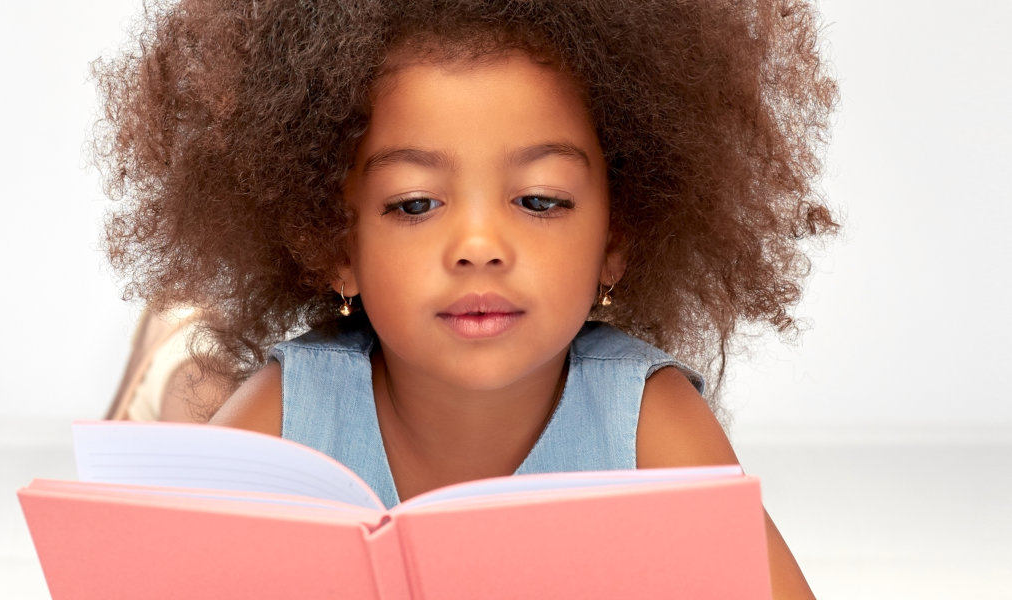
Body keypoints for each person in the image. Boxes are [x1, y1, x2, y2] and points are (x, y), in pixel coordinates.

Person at [96, 1, 837, 597]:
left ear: (618, 235)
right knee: (200, 431)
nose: (479, 245)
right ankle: (179, 369)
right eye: (416, 204)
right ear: (335, 246)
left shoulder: (647, 423)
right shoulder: (287, 415)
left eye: (540, 200)